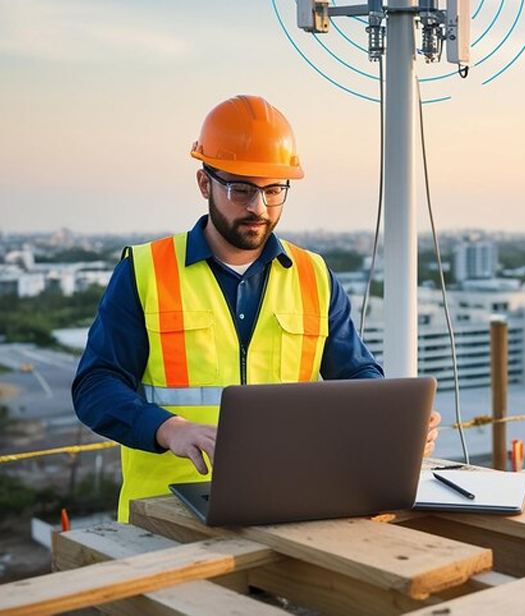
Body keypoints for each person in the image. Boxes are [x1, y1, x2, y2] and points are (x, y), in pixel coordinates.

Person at [73, 94, 441, 521]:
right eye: (241, 189)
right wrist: (169, 428)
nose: (258, 208)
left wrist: (393, 423)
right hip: (166, 514)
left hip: (293, 505)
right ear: (204, 183)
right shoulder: (144, 271)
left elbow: (358, 377)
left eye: (273, 190)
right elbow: (95, 387)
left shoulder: (313, 275)